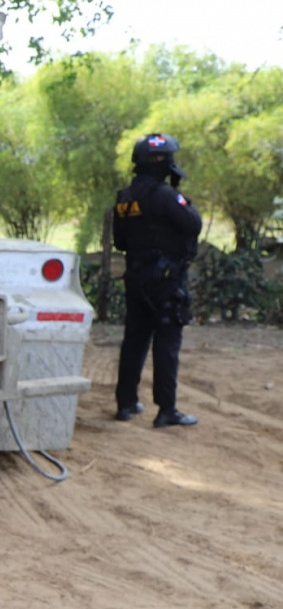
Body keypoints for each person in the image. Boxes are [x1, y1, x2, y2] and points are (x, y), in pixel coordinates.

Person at [113, 133, 203, 428]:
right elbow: (193, 224)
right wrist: (182, 197)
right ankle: (167, 410)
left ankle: (126, 404)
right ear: (163, 162)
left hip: (136, 278)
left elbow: (121, 241)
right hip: (165, 281)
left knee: (135, 340)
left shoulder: (125, 198)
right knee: (167, 342)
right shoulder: (165, 196)